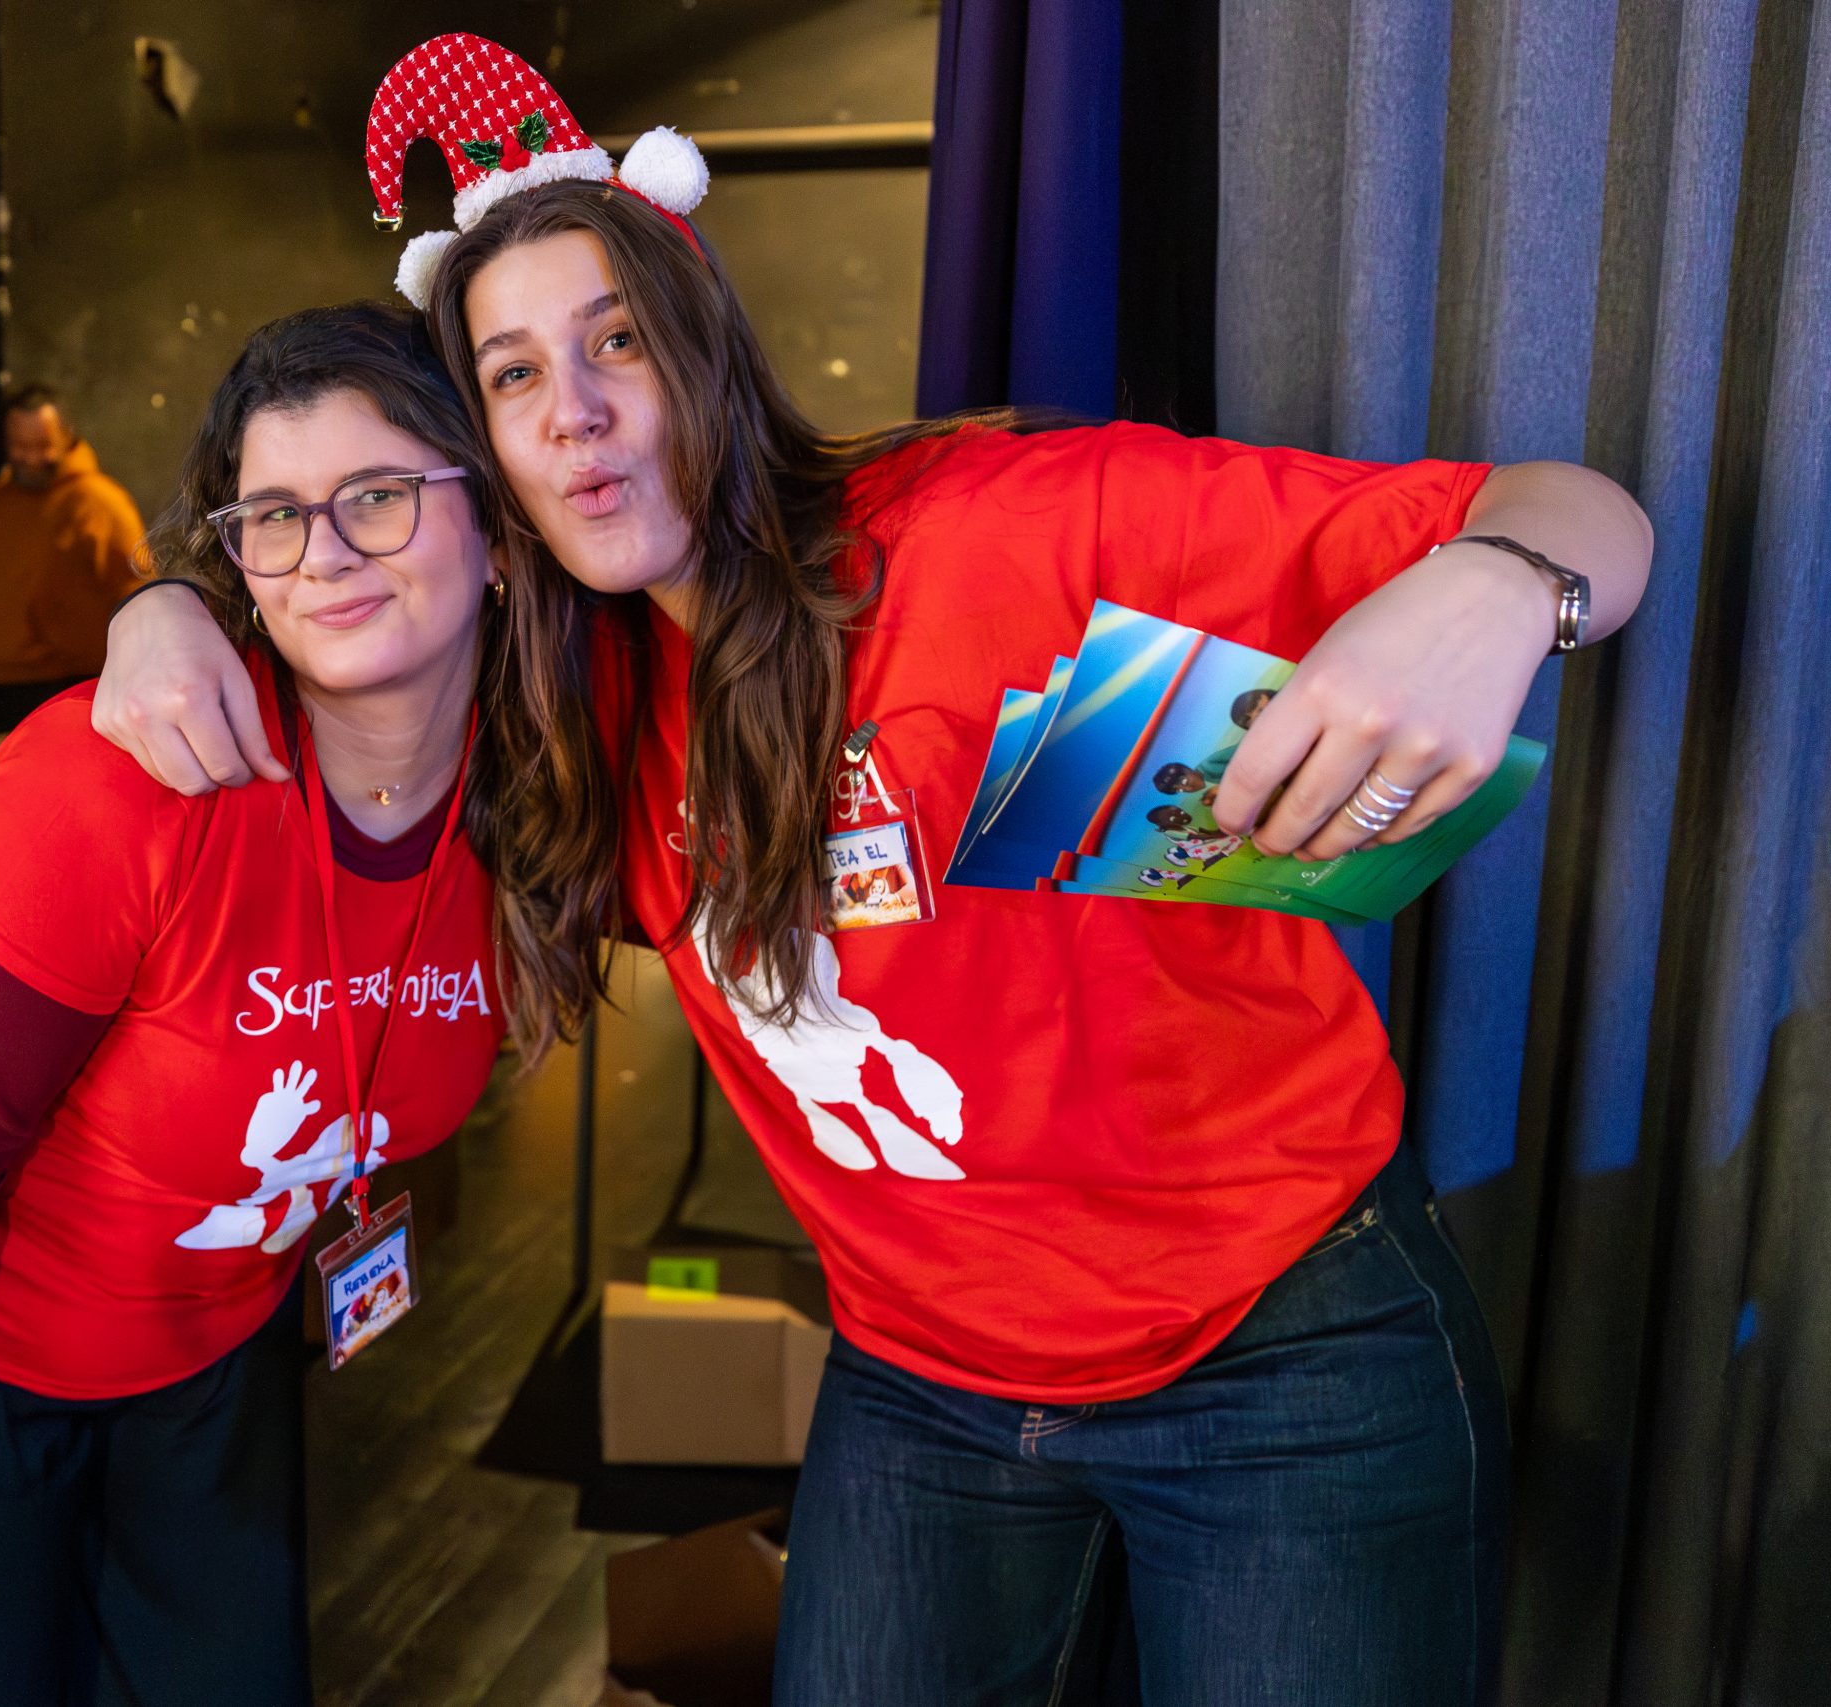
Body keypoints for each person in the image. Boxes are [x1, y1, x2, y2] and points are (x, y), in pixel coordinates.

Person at [85, 37, 1656, 1705]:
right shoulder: (564, 709)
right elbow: (329, 596)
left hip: (1283, 1349)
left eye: (618, 339)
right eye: (514, 374)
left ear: (707, 348)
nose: (579, 409)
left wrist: (1498, 585)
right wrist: (166, 602)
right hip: (926, 1384)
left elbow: (1577, 512)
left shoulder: (1000, 539)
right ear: (489, 456)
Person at [0, 304, 558, 1705]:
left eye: (377, 495)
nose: (324, 555)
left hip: (205, 1331)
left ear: (496, 527)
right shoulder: (131, 780)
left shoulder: (544, 787)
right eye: (275, 517)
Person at [0, 384, 153, 731]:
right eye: (19, 446)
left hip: (76, 690)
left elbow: (142, 594)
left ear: (66, 438)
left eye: (42, 446)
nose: (30, 458)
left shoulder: (101, 504)